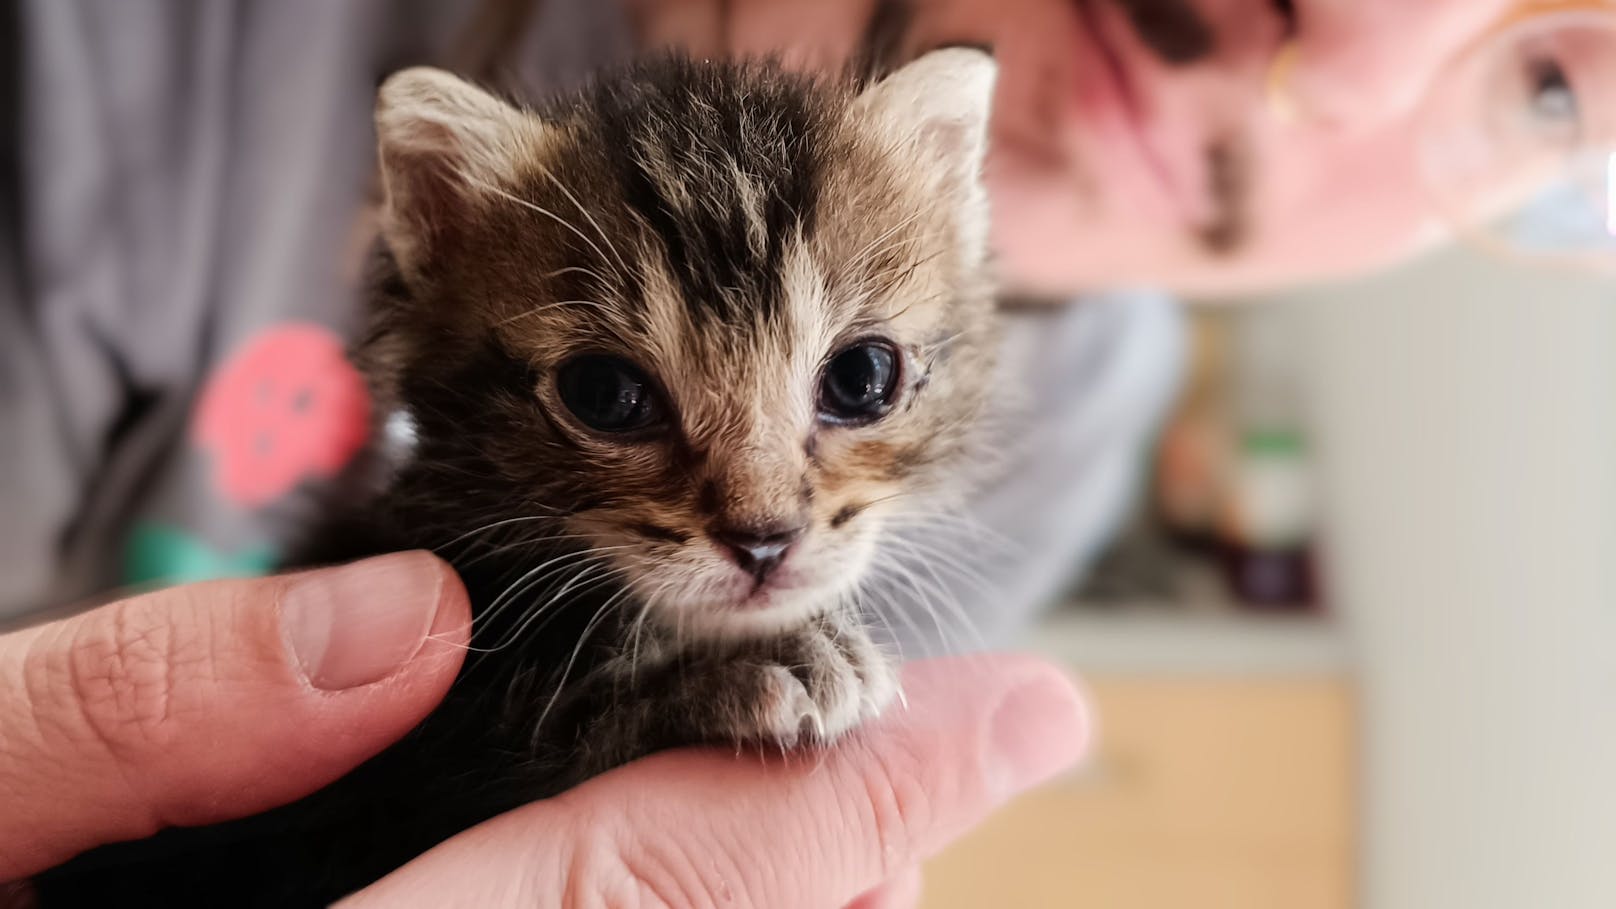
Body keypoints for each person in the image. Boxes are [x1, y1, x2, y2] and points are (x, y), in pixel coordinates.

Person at [2, 0, 1611, 905]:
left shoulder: (1079, 405)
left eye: (1552, 77)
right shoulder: (124, 58)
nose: (768, 513)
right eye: (617, 397)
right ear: (431, 228)